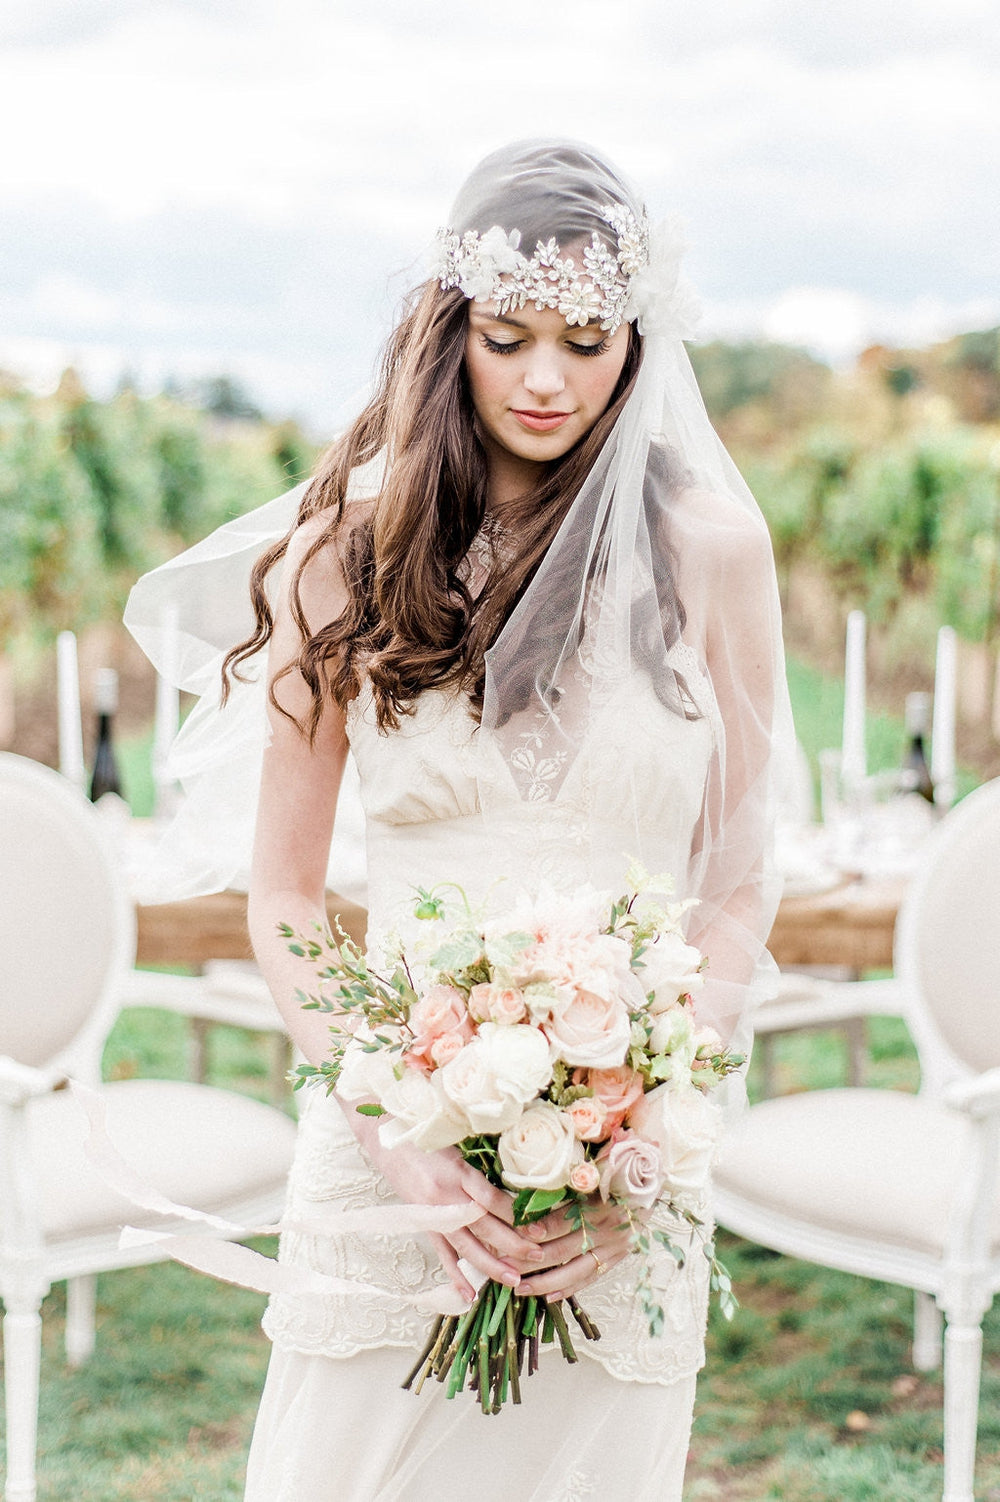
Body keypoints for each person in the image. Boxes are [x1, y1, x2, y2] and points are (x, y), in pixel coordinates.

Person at [128, 139, 793, 1501]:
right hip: (391, 1147)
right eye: (509, 336)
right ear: (452, 334)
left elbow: (737, 872)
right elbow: (290, 897)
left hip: (624, 1182)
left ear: (637, 342)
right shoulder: (341, 559)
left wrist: (647, 1132)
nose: (546, 378)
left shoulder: (716, 551)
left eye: (586, 338)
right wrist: (394, 1124)